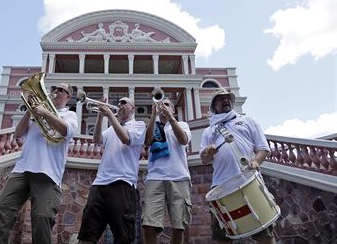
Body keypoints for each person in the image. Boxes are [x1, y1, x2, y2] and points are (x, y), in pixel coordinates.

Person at [0, 82, 77, 244]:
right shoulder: (35, 114)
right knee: (1, 209)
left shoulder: (69, 115)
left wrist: (45, 112)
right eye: (54, 88)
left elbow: (66, 131)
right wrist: (29, 109)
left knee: (42, 218)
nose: (56, 91)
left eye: (61, 90)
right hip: (22, 169)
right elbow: (18, 133)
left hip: (48, 173)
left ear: (68, 96)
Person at [200, 88, 274, 244]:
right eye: (221, 99)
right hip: (221, 186)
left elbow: (263, 148)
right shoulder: (209, 131)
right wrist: (207, 151)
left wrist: (256, 162)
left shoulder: (248, 121)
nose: (226, 100)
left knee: (264, 233)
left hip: (248, 181)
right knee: (223, 237)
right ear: (214, 105)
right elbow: (204, 159)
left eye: (228, 98)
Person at [78, 96, 146, 244]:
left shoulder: (138, 125)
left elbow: (126, 139)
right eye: (118, 103)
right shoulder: (110, 129)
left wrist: (109, 115)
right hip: (100, 183)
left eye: (124, 103)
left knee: (123, 237)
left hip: (123, 183)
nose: (119, 105)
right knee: (87, 235)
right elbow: (96, 140)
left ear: (133, 108)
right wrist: (99, 117)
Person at [142, 97, 192, 244]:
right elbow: (147, 141)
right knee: (149, 224)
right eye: (160, 104)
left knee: (179, 226)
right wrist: (153, 115)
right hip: (154, 178)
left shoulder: (182, 124)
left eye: (167, 104)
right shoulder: (153, 125)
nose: (163, 106)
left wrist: (170, 118)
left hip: (179, 177)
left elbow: (183, 140)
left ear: (173, 109)